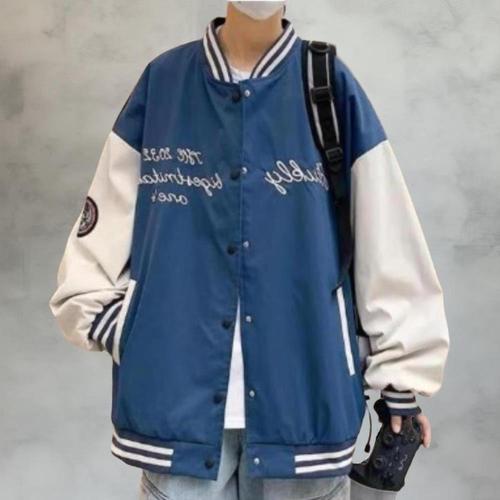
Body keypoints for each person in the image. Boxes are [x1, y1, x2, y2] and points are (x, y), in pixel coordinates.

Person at [48, 1, 450, 499]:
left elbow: (386, 235)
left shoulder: (328, 85)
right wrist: (137, 332)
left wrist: (401, 380)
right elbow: (93, 250)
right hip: (177, 408)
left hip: (306, 405)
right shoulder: (164, 83)